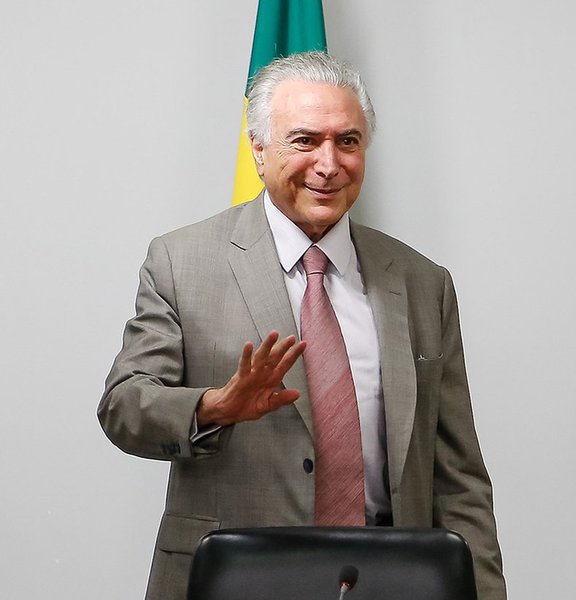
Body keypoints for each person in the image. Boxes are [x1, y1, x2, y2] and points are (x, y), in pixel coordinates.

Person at [98, 51, 505, 600]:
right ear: (258, 149)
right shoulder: (180, 261)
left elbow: (459, 479)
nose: (329, 164)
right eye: (305, 140)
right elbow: (123, 406)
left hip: (391, 581)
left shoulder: (421, 282)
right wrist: (213, 407)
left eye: (348, 141)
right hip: (238, 581)